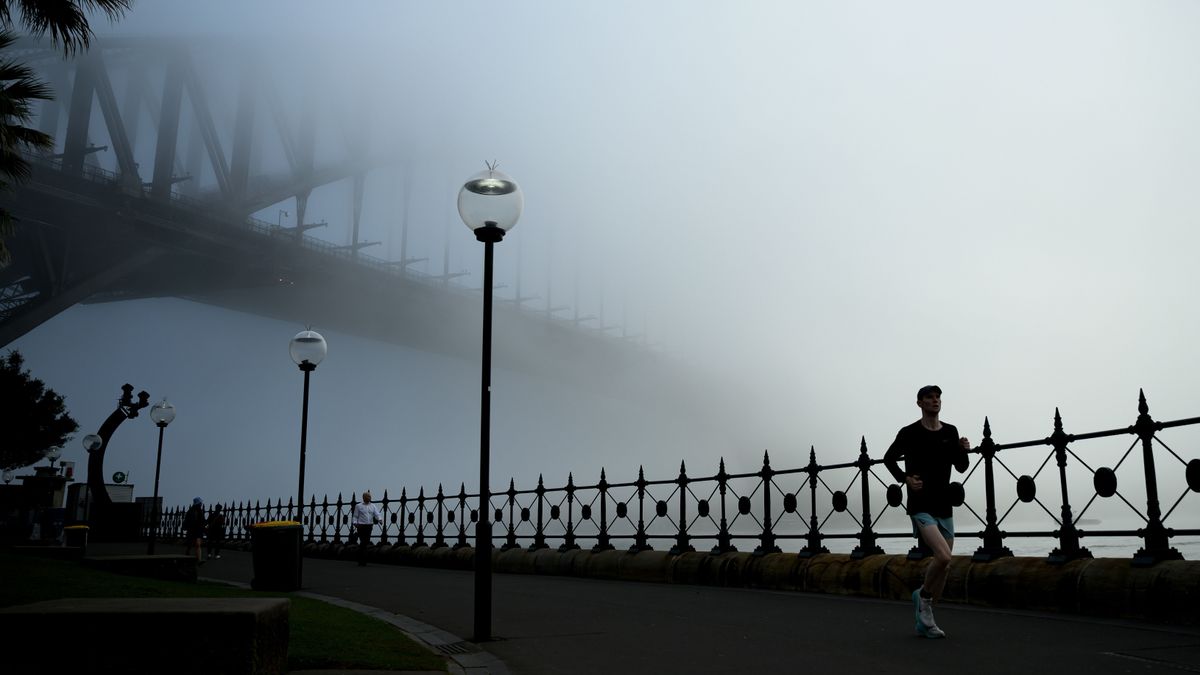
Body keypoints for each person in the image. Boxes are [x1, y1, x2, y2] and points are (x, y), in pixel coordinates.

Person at [883, 385, 970, 639]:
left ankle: (925, 619)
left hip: (944, 504)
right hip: (920, 503)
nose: (935, 401)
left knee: (944, 566)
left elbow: (962, 467)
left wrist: (962, 449)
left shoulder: (950, 431)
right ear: (919, 403)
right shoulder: (909, 433)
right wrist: (905, 478)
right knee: (943, 557)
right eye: (930, 398)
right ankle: (922, 598)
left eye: (938, 397)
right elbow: (888, 458)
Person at [351, 491, 383, 567]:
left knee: (365, 542)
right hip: (361, 526)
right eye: (368, 496)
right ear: (364, 497)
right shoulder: (358, 506)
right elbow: (355, 516)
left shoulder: (373, 506)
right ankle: (362, 560)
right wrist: (355, 523)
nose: (369, 498)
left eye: (370, 497)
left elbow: (377, 513)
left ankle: (361, 559)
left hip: (369, 526)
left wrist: (380, 519)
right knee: (363, 541)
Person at [182, 497, 206, 565]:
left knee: (198, 544)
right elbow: (188, 520)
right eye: (200, 503)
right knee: (190, 544)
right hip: (192, 529)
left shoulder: (200, 511)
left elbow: (202, 521)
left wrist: (203, 529)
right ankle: (187, 554)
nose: (201, 504)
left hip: (198, 530)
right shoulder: (191, 511)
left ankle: (199, 560)